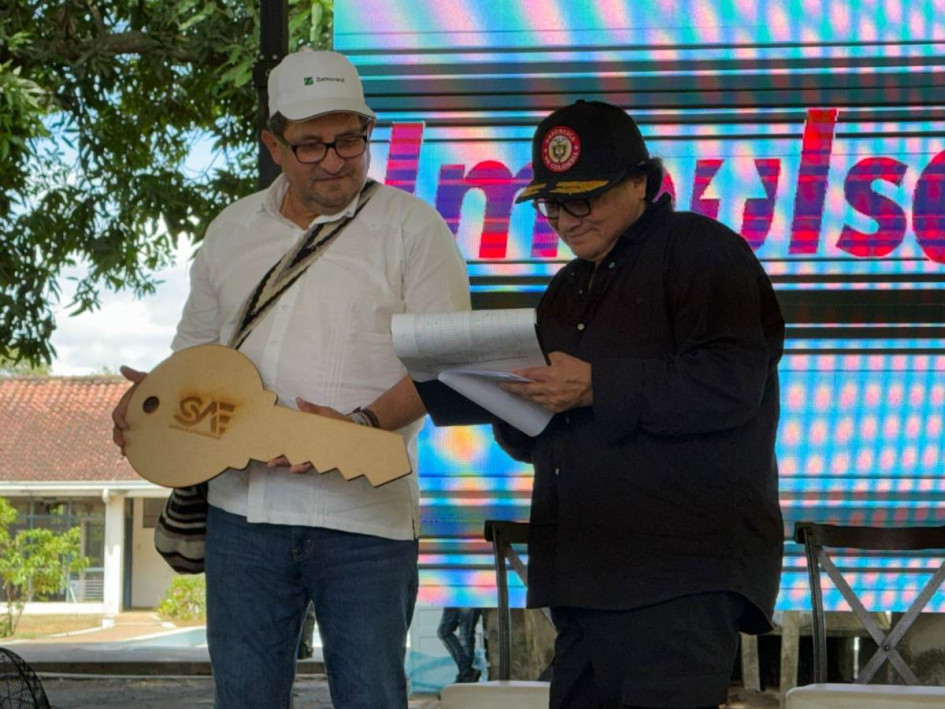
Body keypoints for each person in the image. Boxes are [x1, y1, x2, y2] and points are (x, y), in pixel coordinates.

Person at [112, 49, 470, 709]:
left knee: (371, 697)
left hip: (366, 518)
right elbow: (195, 352)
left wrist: (360, 425)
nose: (334, 160)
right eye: (310, 146)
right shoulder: (231, 231)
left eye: (349, 140)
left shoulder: (412, 228)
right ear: (272, 144)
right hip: (243, 516)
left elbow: (444, 363)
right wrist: (150, 406)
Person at [495, 100, 785, 709]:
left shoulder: (699, 250)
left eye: (585, 198)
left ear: (640, 184)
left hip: (677, 573)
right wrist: (506, 404)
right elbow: (548, 434)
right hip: (582, 574)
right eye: (552, 203)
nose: (567, 220)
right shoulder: (564, 289)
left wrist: (599, 385)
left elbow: (733, 382)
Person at [437, 607, 482, 683]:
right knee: (443, 632)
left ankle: (466, 675)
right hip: (452, 597)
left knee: (466, 636)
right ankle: (466, 672)